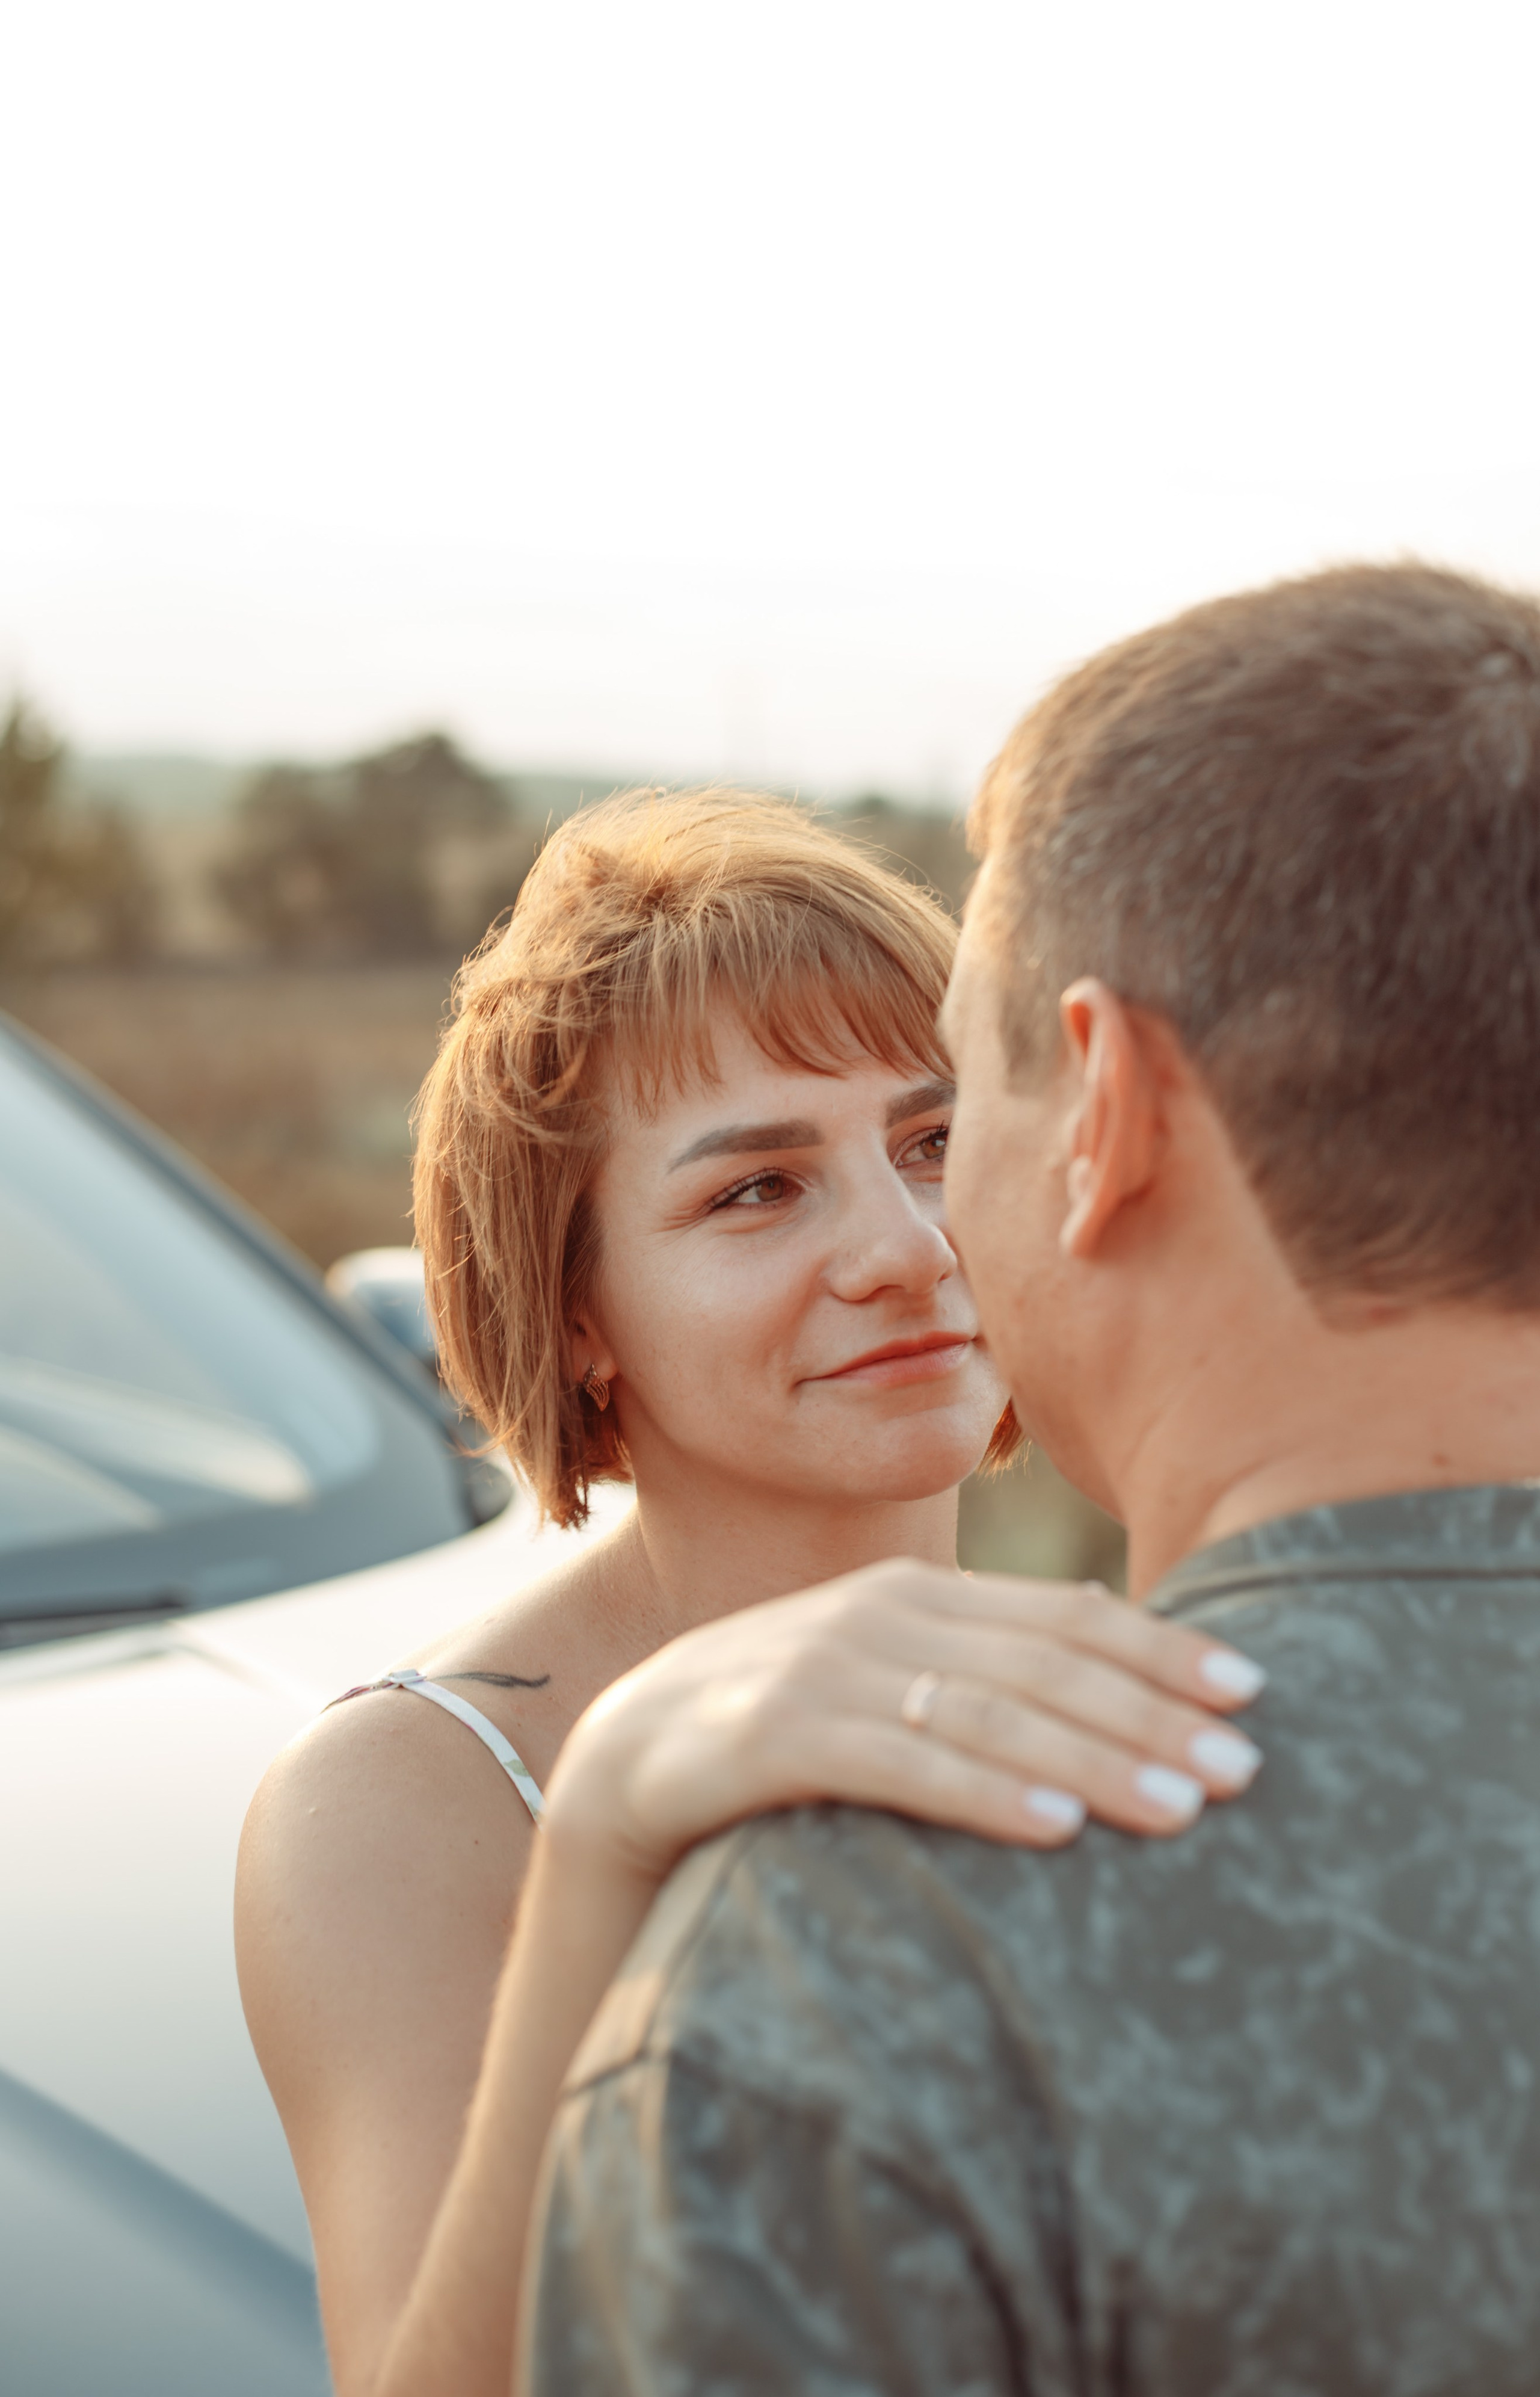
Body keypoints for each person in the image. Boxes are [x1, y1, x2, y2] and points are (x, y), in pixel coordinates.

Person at [520, 565, 1540, 2396]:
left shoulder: (857, 1976)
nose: (915, 1241)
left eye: (948, 1113)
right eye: (757, 1185)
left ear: (1106, 1113)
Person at [235, 791, 1264, 2397]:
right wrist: (613, 1838)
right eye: (757, 1190)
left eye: (934, 1143)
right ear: (578, 1315)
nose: (907, 1248)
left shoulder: (1133, 1681)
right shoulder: (398, 1805)